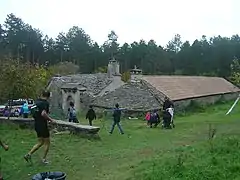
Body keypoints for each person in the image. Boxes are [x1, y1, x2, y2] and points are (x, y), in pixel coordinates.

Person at [24, 91, 55, 165]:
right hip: (42, 125)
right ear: (48, 96)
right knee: (47, 143)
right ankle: (44, 160)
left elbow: (33, 112)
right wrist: (51, 120)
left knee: (40, 142)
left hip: (36, 124)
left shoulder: (37, 102)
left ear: (42, 94)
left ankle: (28, 155)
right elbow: (43, 113)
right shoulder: (45, 103)